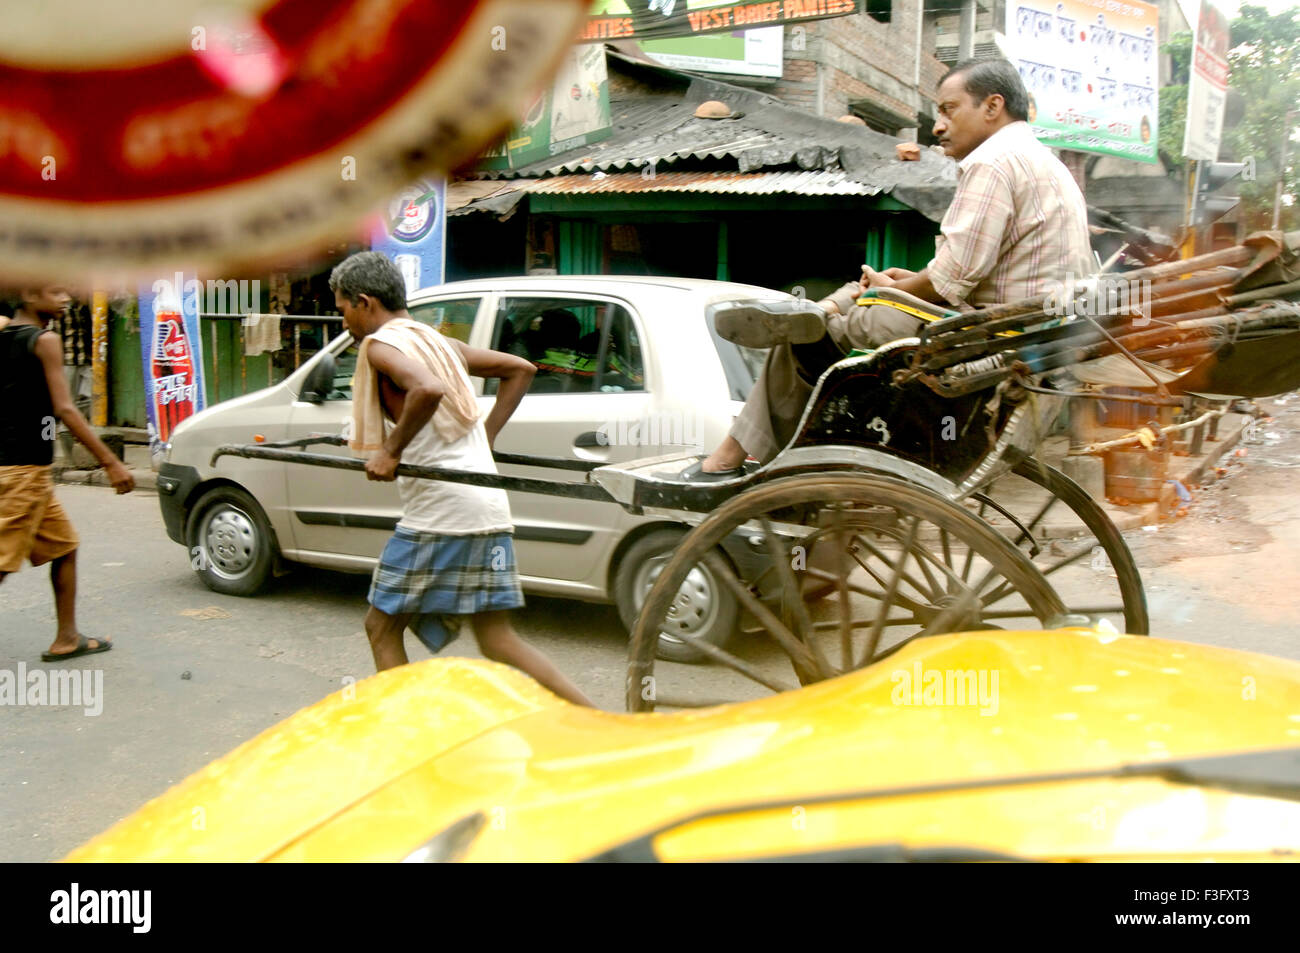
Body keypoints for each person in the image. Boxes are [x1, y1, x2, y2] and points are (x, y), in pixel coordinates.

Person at [693, 58, 1095, 477]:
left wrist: (889, 291)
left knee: (801, 336)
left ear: (992, 107)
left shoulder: (993, 162)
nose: (938, 126)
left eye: (948, 109)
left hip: (981, 339)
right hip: (1023, 335)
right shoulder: (1047, 163)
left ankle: (738, 455)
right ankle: (831, 313)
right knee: (860, 300)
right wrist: (904, 283)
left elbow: (950, 277)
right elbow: (962, 270)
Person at [329, 252, 594, 707]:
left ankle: (415, 737)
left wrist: (391, 451)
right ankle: (599, 722)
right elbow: (520, 369)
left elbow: (426, 391)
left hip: (441, 513)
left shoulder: (382, 345)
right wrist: (483, 439)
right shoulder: (439, 343)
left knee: (381, 626)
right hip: (486, 507)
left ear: (365, 302)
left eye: (344, 311)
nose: (345, 324)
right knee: (497, 640)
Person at [0, 285, 135, 661]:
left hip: (26, 468)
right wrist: (111, 461)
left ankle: (67, 638)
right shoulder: (45, 341)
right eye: (55, 291)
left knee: (64, 547)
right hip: (22, 470)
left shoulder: (6, 334)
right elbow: (67, 409)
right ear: (29, 295)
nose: (66, 298)